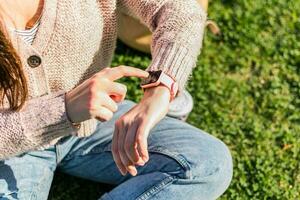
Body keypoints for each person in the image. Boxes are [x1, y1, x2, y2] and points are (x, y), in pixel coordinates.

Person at [0, 0, 232, 199]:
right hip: (11, 151)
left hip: (95, 121)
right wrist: (64, 110)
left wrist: (161, 86)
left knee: (210, 164)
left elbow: (180, 11)